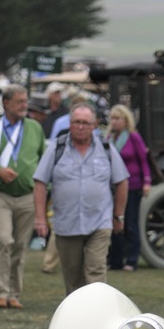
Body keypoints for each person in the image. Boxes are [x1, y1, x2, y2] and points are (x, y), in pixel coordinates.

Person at [33, 103, 129, 296]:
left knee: (96, 272)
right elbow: (40, 182)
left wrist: (118, 216)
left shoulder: (106, 148)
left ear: (94, 125)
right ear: (70, 124)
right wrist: (40, 218)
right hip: (66, 224)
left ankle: (97, 317)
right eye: (77, 122)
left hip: (99, 222)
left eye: (85, 122)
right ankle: (76, 320)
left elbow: (122, 181)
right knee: (73, 279)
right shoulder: (56, 147)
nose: (81, 126)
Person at [0, 84, 47, 308]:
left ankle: (14, 294)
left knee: (19, 246)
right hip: (0, 195)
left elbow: (43, 159)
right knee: (4, 239)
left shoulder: (35, 128)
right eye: (19, 102)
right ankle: (1, 290)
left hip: (27, 195)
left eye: (25, 102)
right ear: (6, 104)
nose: (24, 106)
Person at [105, 104, 152, 272]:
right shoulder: (109, 138)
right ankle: (115, 260)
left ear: (126, 121)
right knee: (114, 222)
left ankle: (131, 260)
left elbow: (143, 161)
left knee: (130, 223)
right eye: (112, 118)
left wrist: (147, 182)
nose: (114, 122)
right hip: (112, 187)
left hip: (132, 186)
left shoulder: (133, 137)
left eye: (117, 118)